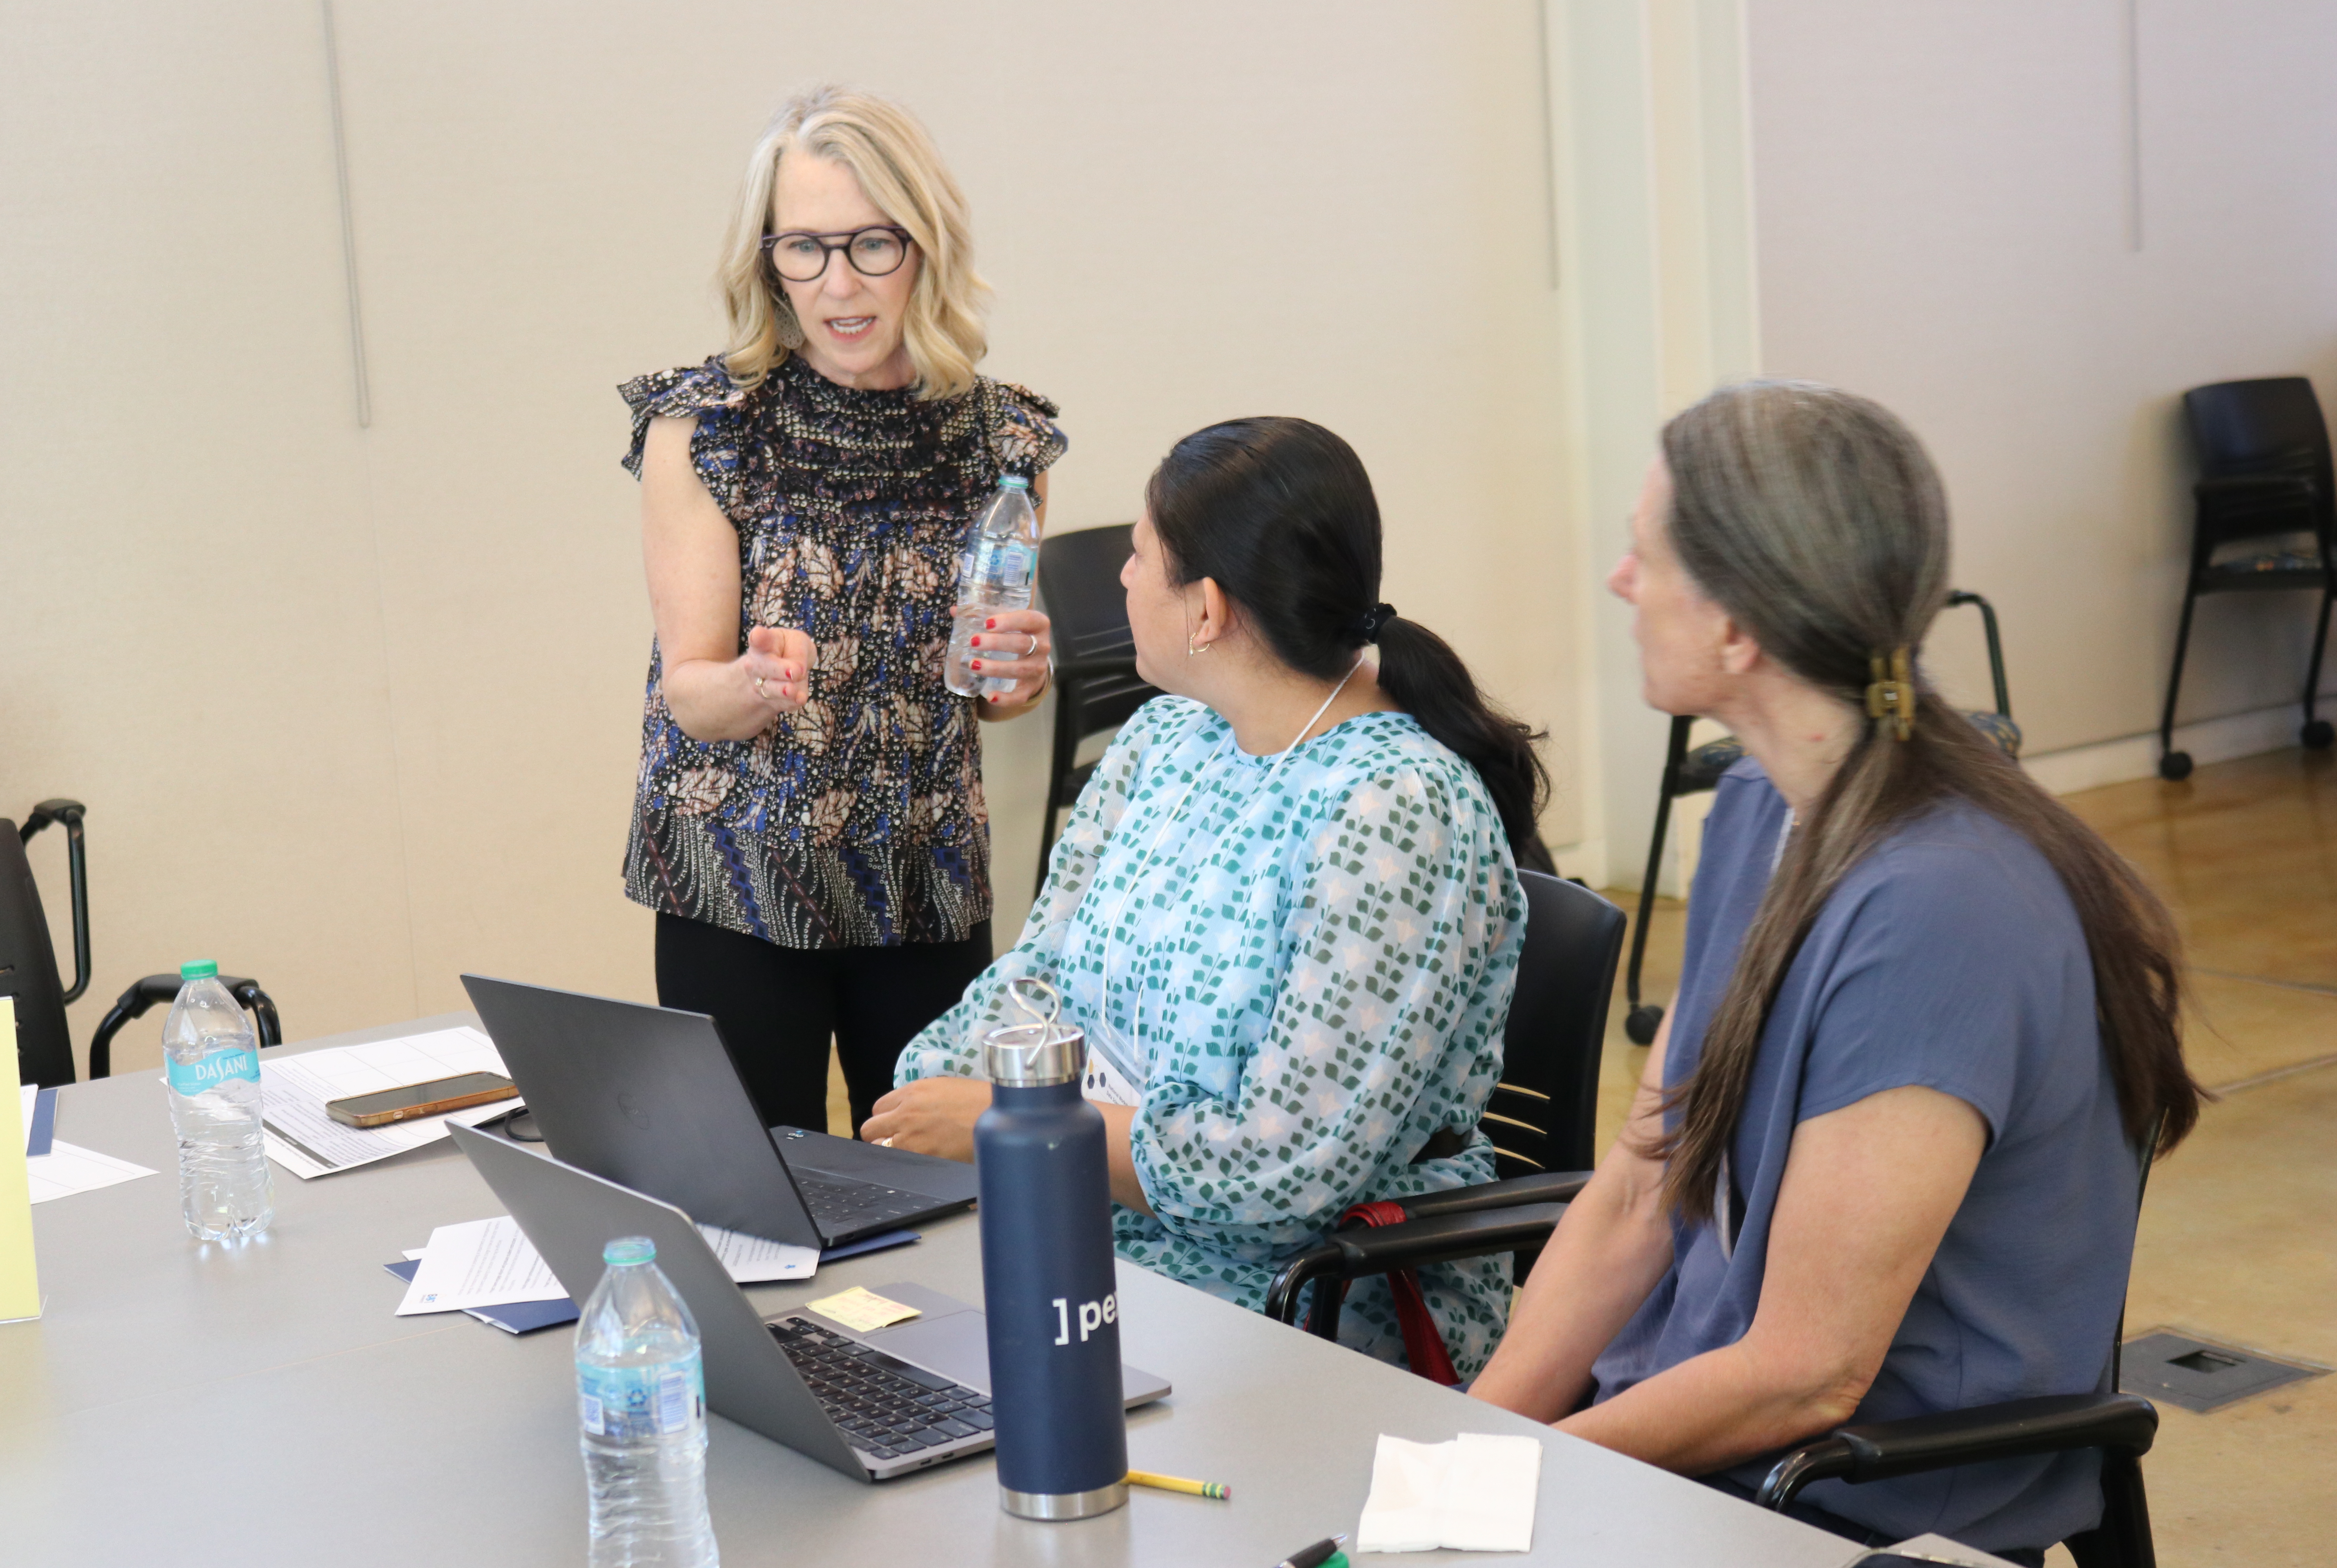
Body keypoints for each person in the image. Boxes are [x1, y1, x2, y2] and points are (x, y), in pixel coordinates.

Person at [1467, 381, 2204, 1561]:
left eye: (1641, 553)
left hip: (1854, 1504)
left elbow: (1806, 1376)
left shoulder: (1942, 907)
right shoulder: (1765, 808)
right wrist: (1468, 1454)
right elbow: (1636, 1190)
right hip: (1715, 1454)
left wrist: (1530, 1483)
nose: (1619, 581)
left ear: (1739, 626)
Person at [860, 417, 1550, 1380]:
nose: (1123, 578)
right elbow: (1042, 973)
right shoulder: (1168, 738)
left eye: (1141, 556)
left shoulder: (1396, 810)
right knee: (872, 1346)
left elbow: (1284, 1172)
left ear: (1209, 610)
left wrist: (1011, 1122)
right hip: (1102, 1230)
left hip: (1293, 1291)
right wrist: (928, 1085)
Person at [619, 87, 1065, 1137]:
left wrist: (1019, 674)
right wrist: (753, 684)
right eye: (805, 250)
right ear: (766, 259)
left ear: (927, 244)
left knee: (944, 1207)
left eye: (873, 245)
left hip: (925, 873)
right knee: (758, 1206)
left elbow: (985, 693)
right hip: (735, 873)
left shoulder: (1004, 441)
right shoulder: (707, 430)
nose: (841, 285)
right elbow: (691, 691)